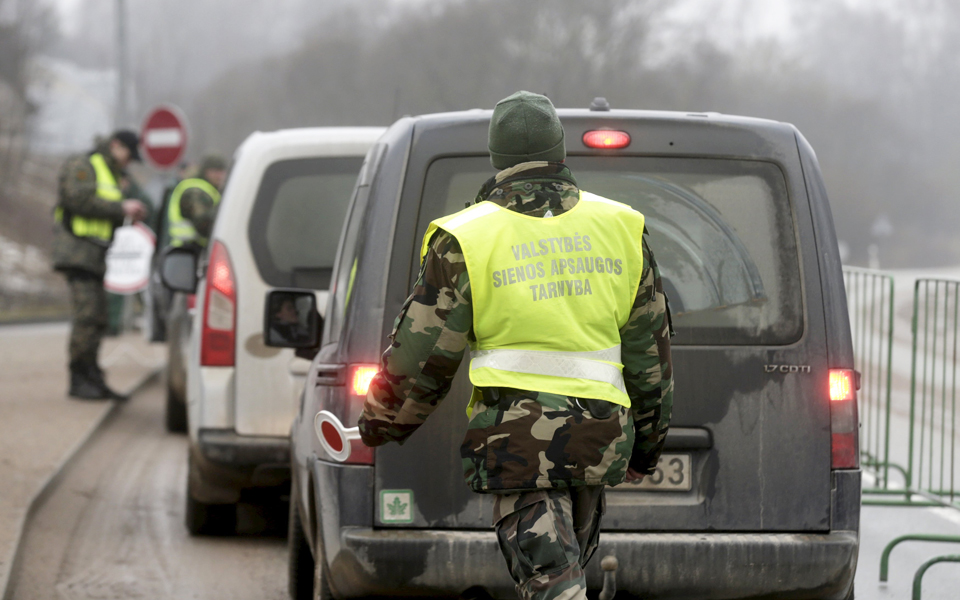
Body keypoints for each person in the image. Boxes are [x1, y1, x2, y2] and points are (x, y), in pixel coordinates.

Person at [358, 91, 674, 600]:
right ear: (560, 152)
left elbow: (422, 360)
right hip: (598, 442)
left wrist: (379, 422)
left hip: (520, 446)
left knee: (554, 587)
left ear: (497, 160)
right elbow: (650, 358)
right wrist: (647, 447)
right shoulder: (620, 228)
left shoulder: (466, 237)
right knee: (565, 580)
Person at [52, 129, 148, 400]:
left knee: (98, 318)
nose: (128, 162)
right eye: (128, 155)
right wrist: (121, 208)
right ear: (116, 146)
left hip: (93, 255)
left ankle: (92, 377)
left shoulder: (110, 172)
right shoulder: (83, 165)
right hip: (76, 253)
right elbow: (78, 199)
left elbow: (103, 211)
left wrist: (128, 214)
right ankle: (79, 379)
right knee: (87, 317)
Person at [165, 154, 226, 248]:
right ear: (205, 172)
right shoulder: (194, 190)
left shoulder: (211, 190)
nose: (219, 176)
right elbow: (203, 224)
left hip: (196, 250)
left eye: (222, 171)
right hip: (187, 250)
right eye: (215, 171)